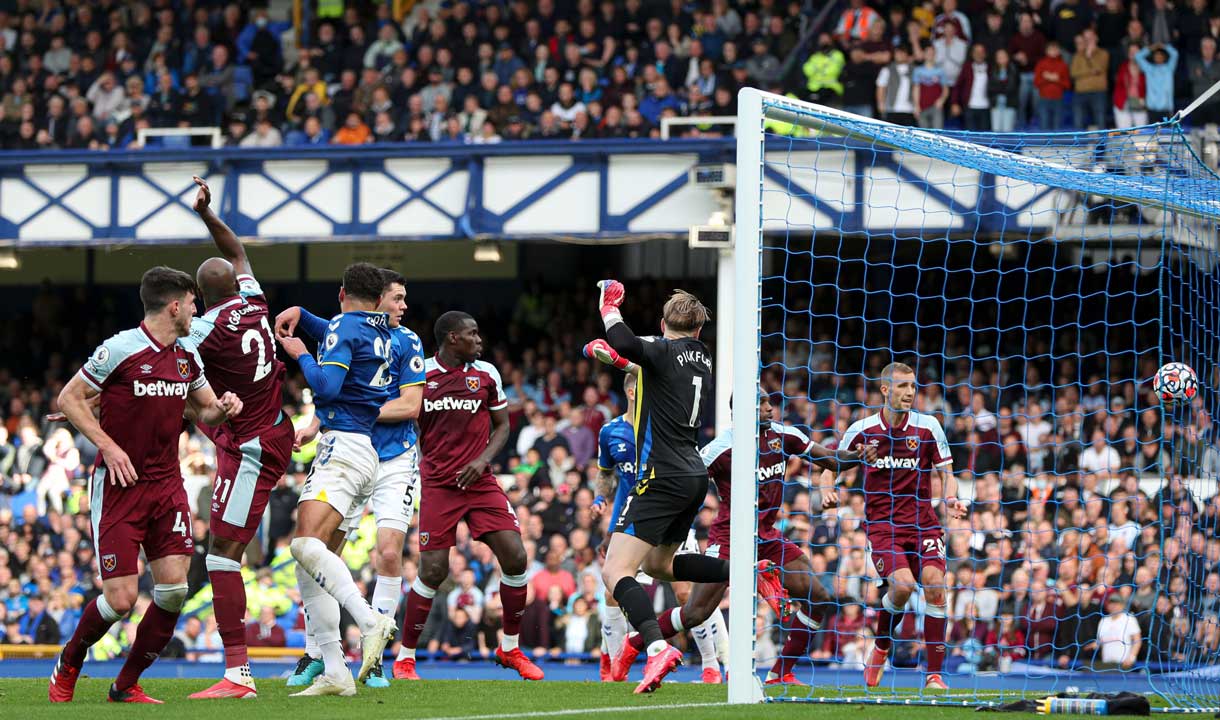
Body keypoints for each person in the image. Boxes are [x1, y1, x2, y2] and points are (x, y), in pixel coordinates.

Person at [50, 266, 244, 704]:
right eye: (193, 303)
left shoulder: (185, 356)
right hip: (119, 486)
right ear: (175, 306)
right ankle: (70, 659)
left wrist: (224, 406)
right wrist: (109, 447)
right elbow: (69, 398)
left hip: (166, 486)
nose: (197, 309)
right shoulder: (120, 348)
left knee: (174, 590)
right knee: (120, 600)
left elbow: (205, 411)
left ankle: (126, 684)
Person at [617, 391, 874, 686]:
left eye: (769, 403)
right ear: (740, 412)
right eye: (761, 405)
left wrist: (856, 457)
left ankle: (780, 672)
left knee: (819, 597)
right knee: (696, 613)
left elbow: (829, 459)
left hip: (767, 538)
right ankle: (635, 642)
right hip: (729, 539)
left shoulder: (784, 435)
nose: (769, 409)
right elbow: (686, 485)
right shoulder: (720, 449)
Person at [275, 269, 424, 687]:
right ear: (377, 302)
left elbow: (326, 384)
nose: (402, 306)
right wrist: (303, 314)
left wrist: (300, 353)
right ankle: (334, 666)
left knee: (306, 546)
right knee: (313, 555)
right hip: (354, 447)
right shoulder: (376, 331)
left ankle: (369, 622)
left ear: (343, 293)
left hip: (358, 448)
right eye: (396, 298)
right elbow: (336, 331)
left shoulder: (381, 333)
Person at [181, 176, 296, 700]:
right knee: (222, 553)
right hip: (261, 431)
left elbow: (174, 376)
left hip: (251, 447)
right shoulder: (253, 301)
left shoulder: (203, 330)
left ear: (198, 296)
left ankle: (238, 675)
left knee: (223, 556)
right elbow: (238, 250)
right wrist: (208, 214)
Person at [590, 283, 727, 694]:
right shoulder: (702, 357)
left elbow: (626, 341)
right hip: (693, 476)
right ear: (700, 330)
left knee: (616, 571)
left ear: (663, 323)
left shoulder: (661, 350)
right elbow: (641, 360)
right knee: (660, 566)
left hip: (662, 475)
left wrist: (609, 306)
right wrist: (618, 357)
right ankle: (746, 571)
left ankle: (655, 648)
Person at [396, 311, 544, 682]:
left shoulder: (487, 374)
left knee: (516, 555)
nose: (479, 340)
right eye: (472, 334)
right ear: (451, 338)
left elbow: (502, 427)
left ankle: (509, 648)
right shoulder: (420, 375)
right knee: (433, 570)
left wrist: (482, 461)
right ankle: (405, 658)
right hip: (438, 484)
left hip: (480, 482)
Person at [822, 362, 966, 691]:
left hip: (924, 524)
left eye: (913, 386)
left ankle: (934, 675)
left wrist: (951, 499)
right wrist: (826, 489)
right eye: (902, 386)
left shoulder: (928, 427)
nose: (910, 393)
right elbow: (830, 465)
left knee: (935, 585)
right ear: (885, 390)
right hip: (884, 527)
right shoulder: (862, 429)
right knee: (901, 587)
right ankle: (882, 647)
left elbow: (947, 473)